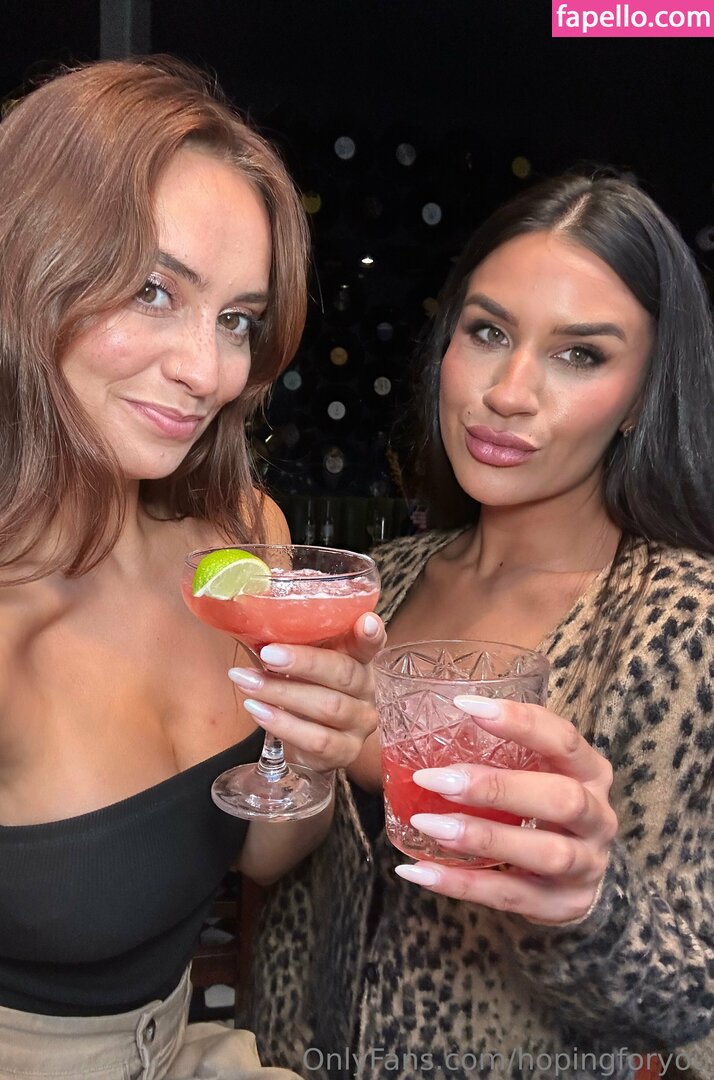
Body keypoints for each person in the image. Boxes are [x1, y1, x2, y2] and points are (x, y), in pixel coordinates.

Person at [0, 57, 384, 1080]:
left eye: (237, 320)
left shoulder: (242, 542)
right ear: (20, 273)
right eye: (153, 290)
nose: (209, 372)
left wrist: (313, 750)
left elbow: (262, 853)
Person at [242, 173, 714, 1080]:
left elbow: (692, 1006)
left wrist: (590, 904)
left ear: (641, 397)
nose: (508, 392)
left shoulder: (684, 623)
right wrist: (299, 752)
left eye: (581, 355)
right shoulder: (380, 584)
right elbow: (275, 874)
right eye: (489, 333)